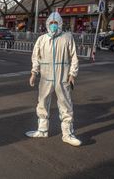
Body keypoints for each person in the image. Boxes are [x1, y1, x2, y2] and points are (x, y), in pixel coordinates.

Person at [26, 12, 81, 147]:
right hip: (46, 77)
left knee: (66, 104)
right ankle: (42, 130)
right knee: (42, 102)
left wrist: (72, 74)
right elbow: (36, 57)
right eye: (51, 23)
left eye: (56, 23)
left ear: (60, 24)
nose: (53, 25)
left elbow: (74, 56)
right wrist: (34, 73)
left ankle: (67, 134)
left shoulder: (67, 38)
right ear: (47, 24)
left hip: (63, 77)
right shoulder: (42, 39)